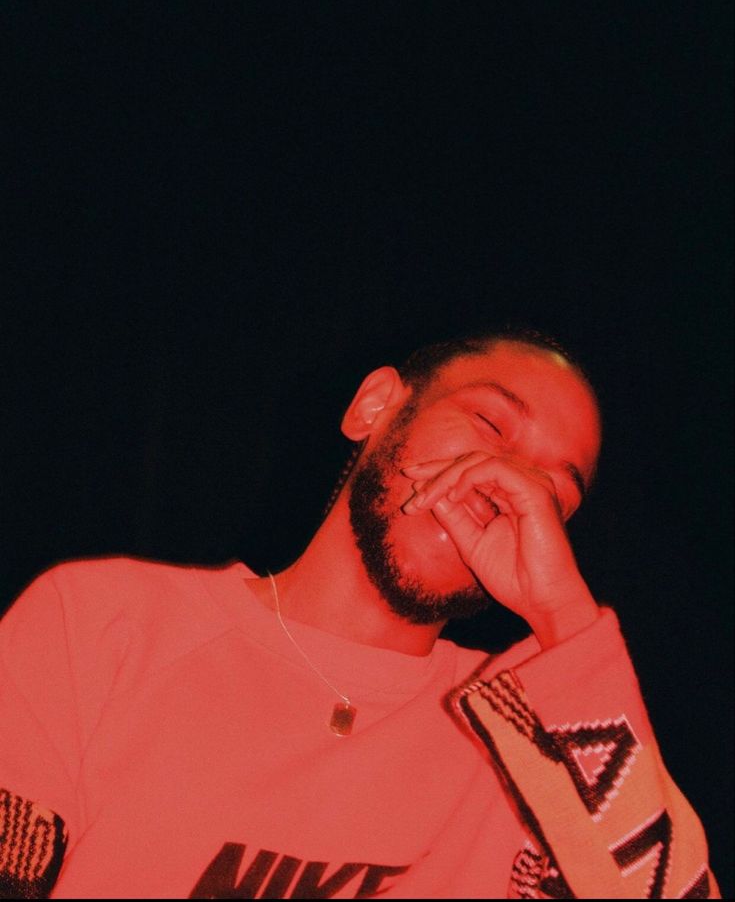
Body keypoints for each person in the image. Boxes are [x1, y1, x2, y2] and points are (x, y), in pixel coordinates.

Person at [0, 329, 720, 899]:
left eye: (554, 493)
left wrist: (564, 620)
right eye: (488, 422)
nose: (508, 486)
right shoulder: (100, 622)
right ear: (375, 407)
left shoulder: (536, 738)